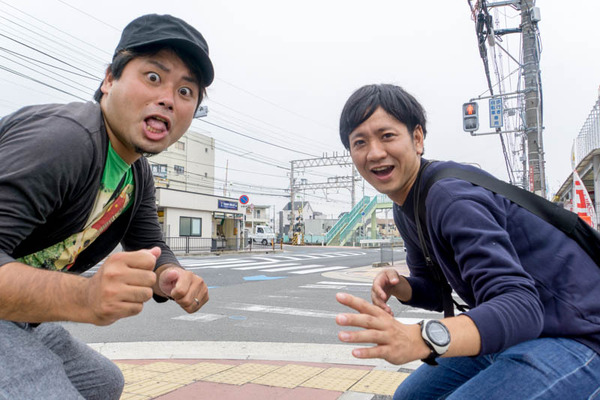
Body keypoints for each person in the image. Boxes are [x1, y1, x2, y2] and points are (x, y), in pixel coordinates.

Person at [334, 84, 600, 399]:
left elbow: (521, 305)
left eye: (387, 136)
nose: (375, 153)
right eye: (360, 142)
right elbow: (438, 292)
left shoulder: (450, 197)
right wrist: (402, 287)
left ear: (417, 139)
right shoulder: (406, 207)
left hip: (579, 333)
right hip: (520, 331)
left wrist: (421, 338)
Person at [0, 14, 213, 399]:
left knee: (102, 382)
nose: (168, 98)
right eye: (153, 77)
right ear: (109, 79)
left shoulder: (135, 173)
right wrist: (84, 296)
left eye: (186, 91)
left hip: (17, 315)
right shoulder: (64, 140)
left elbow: (149, 242)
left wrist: (170, 274)